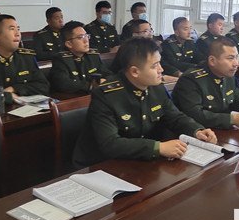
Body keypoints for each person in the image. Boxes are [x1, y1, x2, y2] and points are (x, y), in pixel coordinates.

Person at [72, 38, 217, 168]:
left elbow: (175, 117)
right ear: (135, 71)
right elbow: (110, 144)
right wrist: (158, 147)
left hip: (140, 160)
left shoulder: (156, 87)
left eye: (160, 63)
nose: (161, 69)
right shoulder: (106, 95)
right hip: (102, 165)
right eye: (155, 66)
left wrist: (197, 131)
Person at [172, 37, 239, 129]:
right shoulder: (190, 80)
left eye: (236, 57)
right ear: (212, 61)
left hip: (221, 129)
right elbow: (195, 115)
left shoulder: (228, 74)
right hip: (199, 132)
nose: (236, 63)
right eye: (230, 58)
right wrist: (232, 119)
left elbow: (237, 98)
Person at [50, 21, 112, 93]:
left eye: (86, 36)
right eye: (80, 37)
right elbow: (64, 83)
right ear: (69, 44)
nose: (86, 40)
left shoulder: (93, 55)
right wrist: (91, 85)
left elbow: (108, 74)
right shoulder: (61, 59)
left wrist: (105, 81)